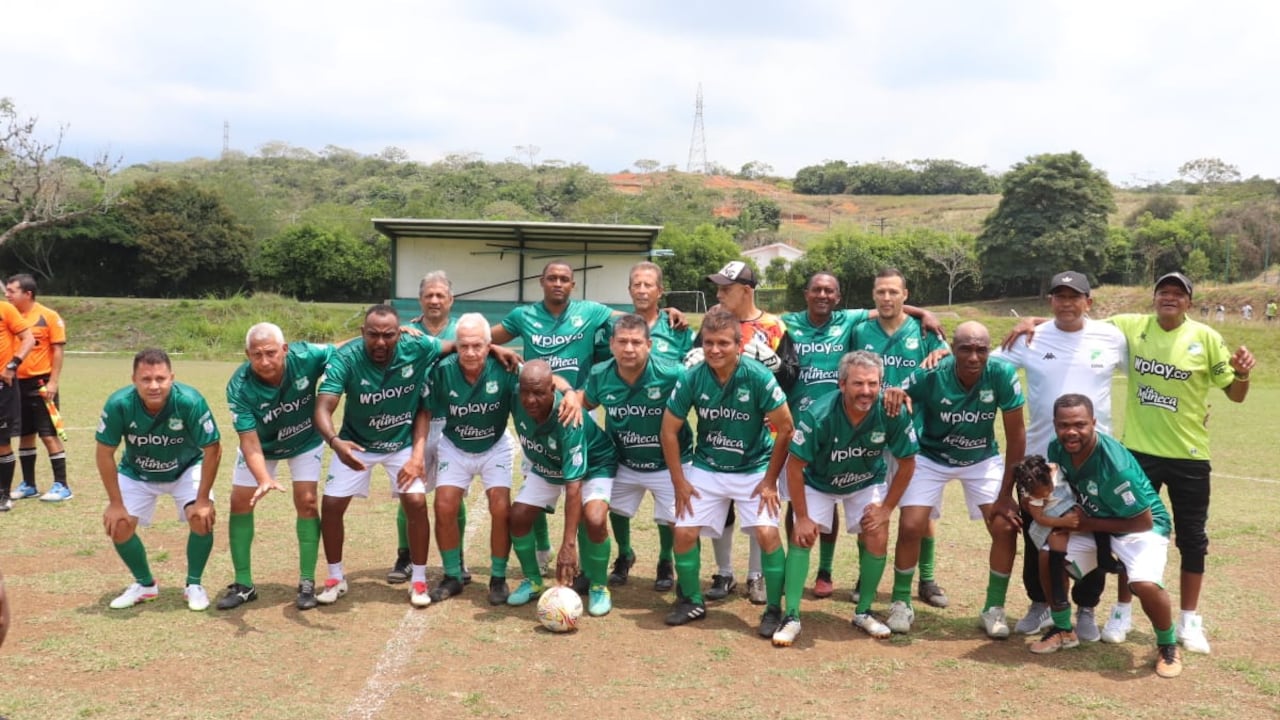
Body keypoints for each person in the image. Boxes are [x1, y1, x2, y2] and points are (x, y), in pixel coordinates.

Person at [1102, 273, 1254, 654]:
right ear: (1153, 298)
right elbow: (1076, 324)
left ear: (1189, 302)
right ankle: (1122, 611)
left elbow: (1235, 395)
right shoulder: (1132, 327)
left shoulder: (1205, 337)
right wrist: (1030, 323)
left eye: (1178, 293)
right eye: (1163, 292)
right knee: (1127, 535)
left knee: (1192, 539)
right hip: (1137, 453)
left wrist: (1244, 372)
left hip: (1189, 456)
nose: (1169, 298)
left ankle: (1189, 620)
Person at [994, 271, 1126, 640]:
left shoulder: (1111, 336)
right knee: (1038, 536)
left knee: (1091, 535)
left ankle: (1086, 609)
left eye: (1075, 296)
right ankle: (1040, 604)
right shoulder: (1030, 337)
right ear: (1050, 300)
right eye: (1059, 296)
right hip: (1040, 464)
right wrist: (941, 351)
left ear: (1089, 301)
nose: (1067, 303)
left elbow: (1149, 371)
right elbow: (983, 363)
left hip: (1094, 461)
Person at [882, 321, 1025, 638]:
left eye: (981, 350)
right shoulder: (934, 373)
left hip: (981, 458)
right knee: (910, 525)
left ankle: (994, 608)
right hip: (931, 456)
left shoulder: (1001, 374)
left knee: (1004, 525)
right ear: (953, 350)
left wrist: (1006, 494)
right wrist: (894, 393)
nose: (974, 357)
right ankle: (901, 602)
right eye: (966, 349)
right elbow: (900, 391)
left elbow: (1016, 436)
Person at [661, 309, 795, 637]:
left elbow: (787, 428)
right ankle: (691, 599)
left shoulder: (758, 376)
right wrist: (679, 481)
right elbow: (668, 430)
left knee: (766, 534)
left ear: (739, 345)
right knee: (683, 531)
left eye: (723, 343)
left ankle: (774, 609)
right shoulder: (692, 376)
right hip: (708, 466)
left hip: (754, 467)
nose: (715, 350)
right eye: (709, 343)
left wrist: (769, 481)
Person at [773, 351, 918, 646]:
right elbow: (796, 466)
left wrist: (887, 509)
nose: (866, 391)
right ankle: (791, 616)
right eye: (858, 384)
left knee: (876, 533)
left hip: (865, 481)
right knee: (803, 536)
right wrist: (801, 517)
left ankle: (863, 612)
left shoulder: (891, 411)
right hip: (818, 481)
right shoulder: (819, 413)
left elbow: (908, 462)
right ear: (841, 384)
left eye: (872, 384)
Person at [313, 304, 451, 608]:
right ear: (363, 332)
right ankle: (335, 577)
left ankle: (417, 579)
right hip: (355, 444)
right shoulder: (346, 357)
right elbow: (323, 407)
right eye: (373, 335)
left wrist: (495, 350)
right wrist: (336, 442)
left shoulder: (417, 346)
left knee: (416, 503)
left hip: (400, 444)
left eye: (388, 335)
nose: (380, 342)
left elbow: (458, 346)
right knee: (332, 505)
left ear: (399, 334)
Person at [1047, 394, 1182, 678]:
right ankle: (1062, 629)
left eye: (1080, 424)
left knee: (1145, 585)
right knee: (1049, 554)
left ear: (1094, 423)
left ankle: (1168, 646)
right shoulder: (1056, 450)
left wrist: (1085, 524)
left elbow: (1142, 520)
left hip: (1141, 526)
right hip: (1097, 523)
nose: (1071, 431)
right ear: (1055, 425)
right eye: (1063, 425)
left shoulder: (1114, 465)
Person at [693, 261, 797, 605]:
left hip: (763, 437)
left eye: (726, 288)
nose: (719, 294)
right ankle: (723, 571)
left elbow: (793, 377)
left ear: (747, 291)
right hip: (719, 432)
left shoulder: (775, 327)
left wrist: (777, 366)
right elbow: (694, 366)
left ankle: (757, 575)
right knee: (721, 508)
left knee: (760, 507)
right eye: (719, 288)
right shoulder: (715, 323)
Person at [849, 268, 950, 609]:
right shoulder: (861, 330)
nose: (887, 298)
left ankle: (927, 578)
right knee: (869, 507)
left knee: (919, 514)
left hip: (914, 433)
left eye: (894, 292)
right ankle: (866, 573)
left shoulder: (922, 330)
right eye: (881, 292)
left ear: (906, 294)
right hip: (869, 436)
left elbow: (949, 353)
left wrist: (943, 352)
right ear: (873, 296)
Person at [217, 323, 333, 611]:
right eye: (257, 355)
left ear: (285, 349)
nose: (265, 361)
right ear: (247, 354)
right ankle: (244, 584)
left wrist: (381, 331)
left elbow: (344, 348)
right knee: (239, 502)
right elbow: (250, 442)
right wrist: (263, 478)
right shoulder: (239, 386)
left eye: (271, 352)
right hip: (262, 447)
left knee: (307, 502)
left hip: (304, 440)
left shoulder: (306, 356)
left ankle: (307, 582)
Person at [96, 349, 221, 611]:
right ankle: (145, 585)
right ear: (134, 379)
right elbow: (104, 453)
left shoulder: (190, 401)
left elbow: (213, 449)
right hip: (137, 472)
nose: (154, 385)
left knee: (201, 517)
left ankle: (194, 584)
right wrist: (115, 503)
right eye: (146, 379)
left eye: (161, 379)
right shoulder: (119, 404)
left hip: (186, 468)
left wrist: (202, 500)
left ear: (171, 378)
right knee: (118, 524)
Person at [595, 262, 693, 587]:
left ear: (659, 291)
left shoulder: (677, 327)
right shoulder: (615, 326)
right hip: (624, 442)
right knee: (616, 508)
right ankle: (624, 554)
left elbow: (693, 372)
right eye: (635, 284)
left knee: (670, 514)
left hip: (666, 443)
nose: (641, 289)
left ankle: (666, 561)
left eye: (648, 284)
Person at [414, 313, 519, 606]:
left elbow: (536, 389)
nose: (470, 352)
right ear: (455, 346)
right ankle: (452, 576)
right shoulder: (442, 371)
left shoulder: (507, 368)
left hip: (495, 445)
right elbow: (424, 412)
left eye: (478, 346)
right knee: (444, 504)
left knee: (500, 507)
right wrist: (418, 454)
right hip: (455, 445)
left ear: (489, 346)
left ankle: (498, 578)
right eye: (464, 346)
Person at [505, 361, 618, 617]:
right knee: (518, 516)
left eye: (539, 393)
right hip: (548, 462)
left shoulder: (568, 418)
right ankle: (533, 580)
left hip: (594, 466)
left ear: (552, 389)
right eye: (526, 392)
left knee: (595, 519)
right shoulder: (516, 396)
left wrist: (569, 546)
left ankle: (599, 585)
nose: (531, 400)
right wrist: (496, 347)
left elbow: (574, 486)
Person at [387, 271, 469, 588]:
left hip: (451, 422)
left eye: (440, 295)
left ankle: (456, 557)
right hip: (412, 423)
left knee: (453, 493)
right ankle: (405, 555)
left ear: (451, 299)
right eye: (429, 295)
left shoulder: (463, 330)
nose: (434, 300)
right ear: (420, 299)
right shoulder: (406, 333)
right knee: (410, 492)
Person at [5, 274, 70, 502]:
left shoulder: (48, 316)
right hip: (15, 385)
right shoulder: (10, 317)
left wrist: (53, 382)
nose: (7, 294)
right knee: (24, 435)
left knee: (48, 434)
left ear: (27, 293)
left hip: (41, 384)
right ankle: (29, 484)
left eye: (12, 291)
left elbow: (58, 351)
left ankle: (62, 485)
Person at [1012, 455, 1082, 653]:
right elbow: (1040, 518)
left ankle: (1072, 616)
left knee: (1066, 564)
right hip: (1052, 529)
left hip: (1079, 524)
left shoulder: (1058, 471)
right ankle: (1059, 619)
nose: (1048, 494)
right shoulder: (1032, 495)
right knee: (1051, 559)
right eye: (1042, 495)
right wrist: (1064, 523)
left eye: (1048, 490)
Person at [0, 300, 34, 511]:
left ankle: (4, 495)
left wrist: (12, 365)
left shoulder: (5, 309)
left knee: (2, 442)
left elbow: (28, 339)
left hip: (3, 385)